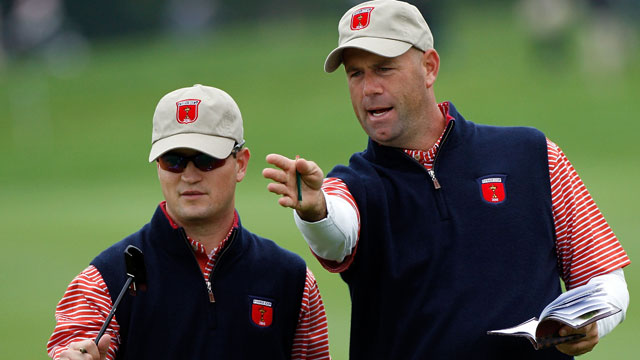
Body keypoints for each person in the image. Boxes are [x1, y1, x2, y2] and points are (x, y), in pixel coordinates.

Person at [262, 1, 630, 359]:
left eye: (384, 68)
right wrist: (315, 212)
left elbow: (604, 280)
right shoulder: (351, 187)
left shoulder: (531, 154)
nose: (368, 87)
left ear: (429, 67)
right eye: (356, 73)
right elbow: (336, 233)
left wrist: (593, 323)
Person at [47, 84, 331, 360]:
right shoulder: (105, 281)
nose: (189, 175)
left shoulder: (293, 280)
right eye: (173, 161)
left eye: (206, 160)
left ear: (241, 163)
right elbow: (73, 348)